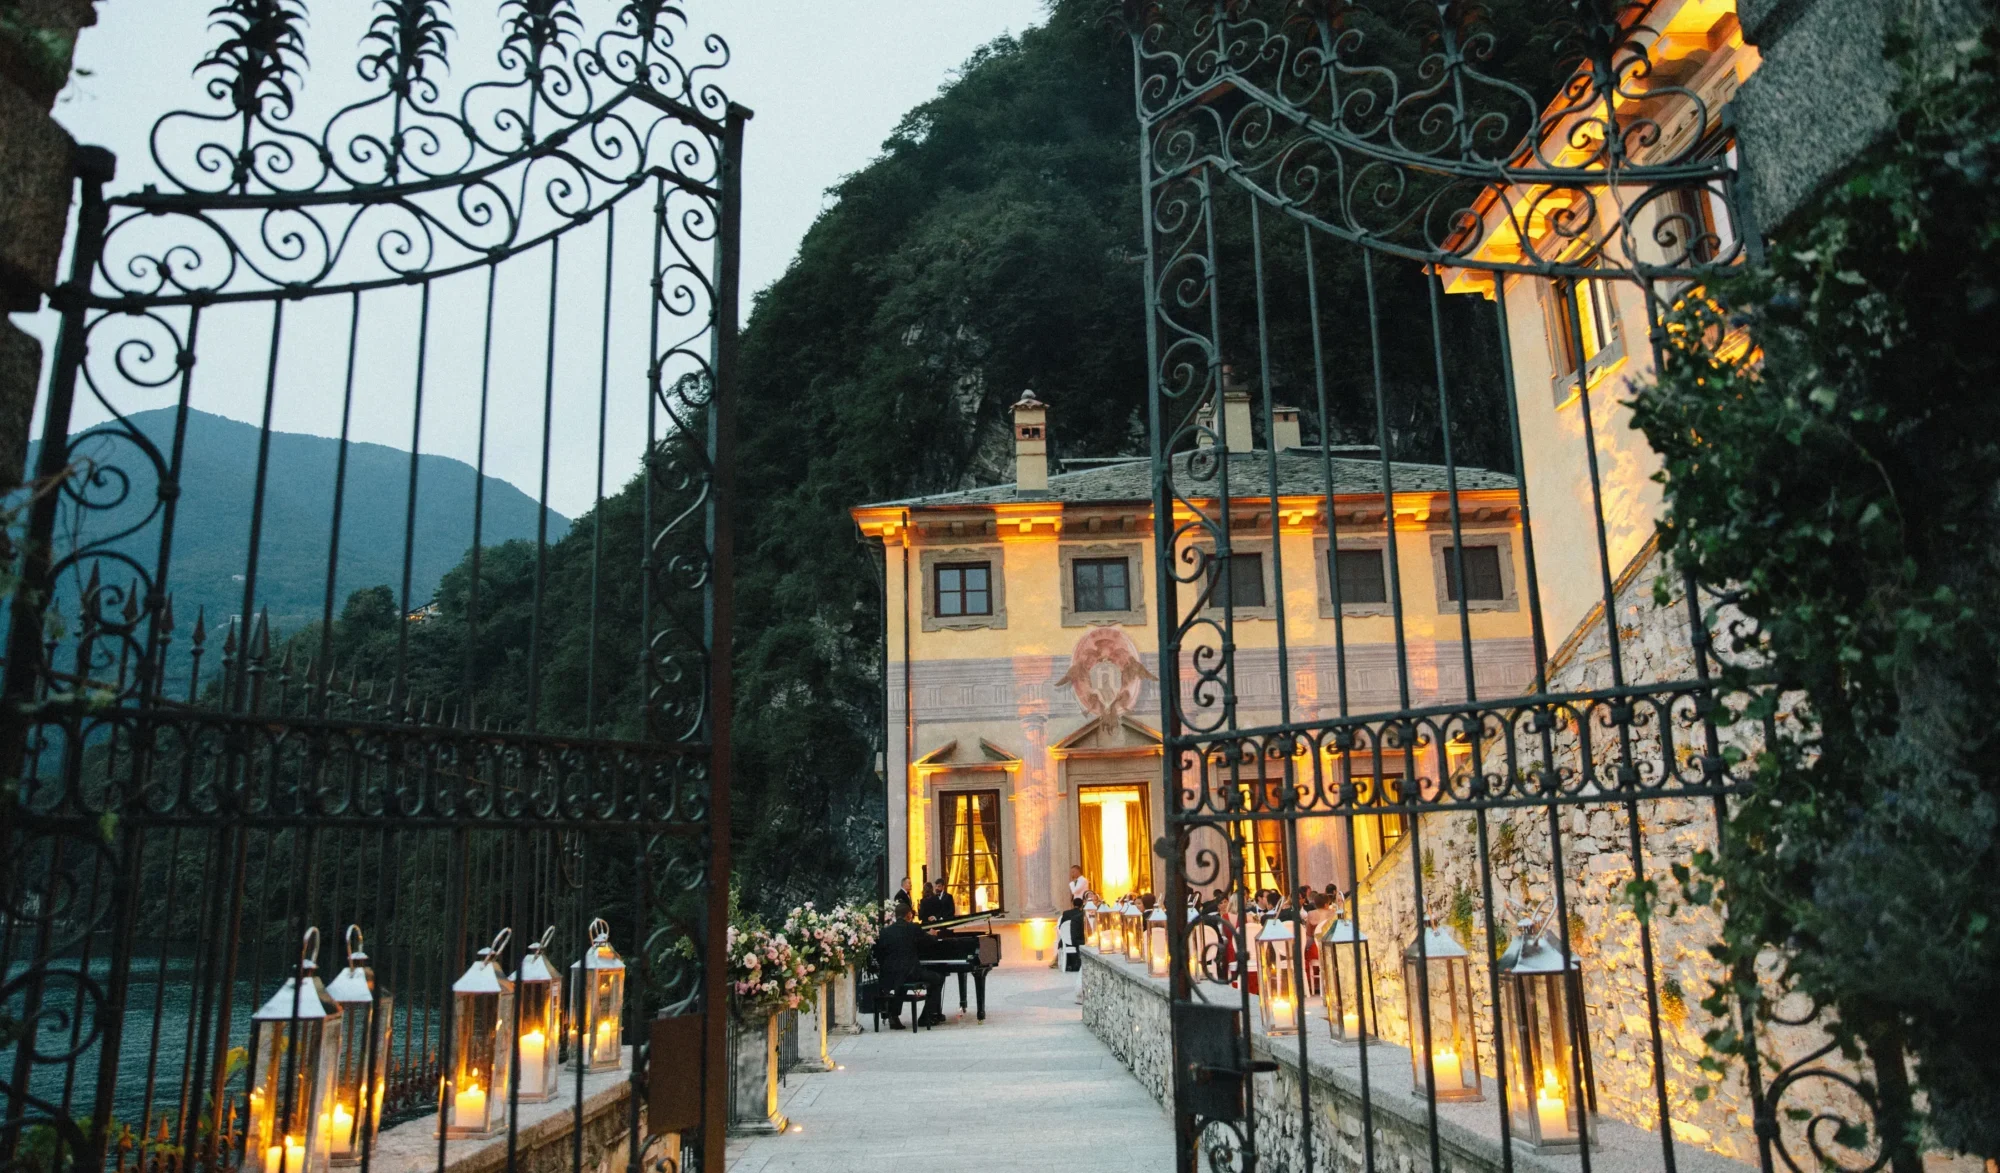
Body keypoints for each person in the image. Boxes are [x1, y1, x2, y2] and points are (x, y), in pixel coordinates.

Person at [874, 904, 945, 1028]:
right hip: (910, 972)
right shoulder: (913, 928)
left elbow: (879, 953)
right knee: (938, 978)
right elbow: (928, 942)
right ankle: (925, 1017)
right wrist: (933, 935)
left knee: (900, 981)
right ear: (908, 915)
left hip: (889, 974)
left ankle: (894, 1015)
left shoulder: (885, 931)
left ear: (896, 915)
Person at [1057, 896, 1086, 1002]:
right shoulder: (1080, 917)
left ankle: (1069, 963)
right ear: (1082, 905)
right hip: (1080, 940)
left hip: (1067, 939)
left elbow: (1060, 927)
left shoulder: (1066, 913)